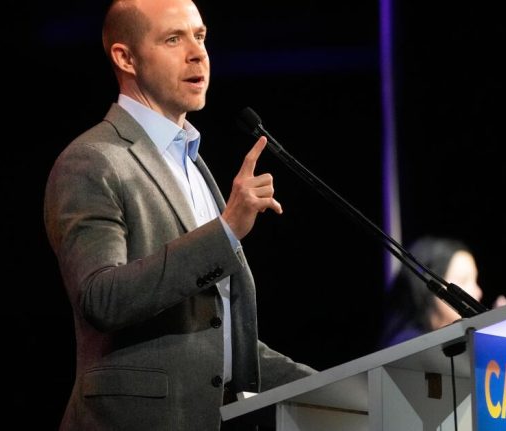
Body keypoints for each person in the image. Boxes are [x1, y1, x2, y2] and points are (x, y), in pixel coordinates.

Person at [43, 0, 317, 430]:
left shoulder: (191, 163)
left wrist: (347, 390)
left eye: (200, 36)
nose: (197, 53)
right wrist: (226, 230)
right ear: (126, 58)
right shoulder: (93, 159)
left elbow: (219, 340)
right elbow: (101, 298)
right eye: (173, 39)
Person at [377, 236, 506, 349]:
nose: (478, 291)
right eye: (463, 280)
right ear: (431, 287)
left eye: (475, 280)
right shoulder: (407, 346)